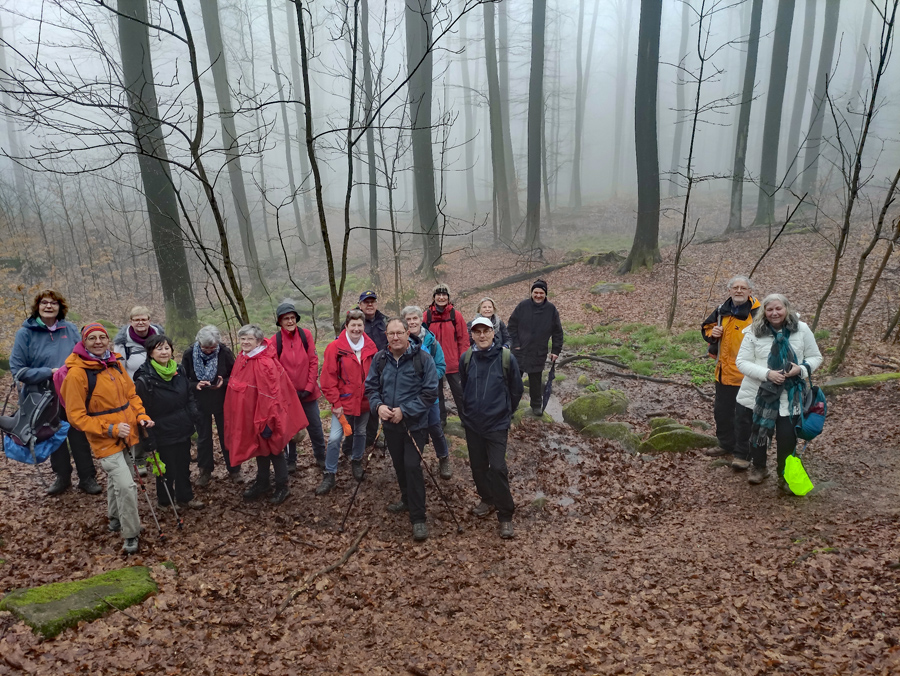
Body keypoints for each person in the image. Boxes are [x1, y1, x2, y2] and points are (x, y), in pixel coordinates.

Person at [60, 322, 154, 554]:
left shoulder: (114, 363)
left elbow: (131, 395)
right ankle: (131, 533)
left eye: (102, 337)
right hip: (105, 438)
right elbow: (76, 417)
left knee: (117, 479)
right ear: (83, 342)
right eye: (92, 338)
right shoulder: (77, 374)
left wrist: (141, 416)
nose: (99, 342)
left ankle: (114, 517)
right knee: (126, 485)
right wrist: (111, 429)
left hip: (129, 432)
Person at [10, 289, 101, 496]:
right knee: (52, 434)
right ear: (38, 307)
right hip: (43, 394)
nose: (49, 306)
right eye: (44, 303)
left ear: (60, 307)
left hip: (72, 389)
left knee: (78, 433)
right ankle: (62, 476)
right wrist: (48, 372)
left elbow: (83, 355)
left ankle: (87, 477)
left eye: (53, 303)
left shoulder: (69, 328)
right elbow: (18, 370)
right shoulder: (26, 333)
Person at [735, 294, 823, 487]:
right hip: (759, 394)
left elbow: (816, 357)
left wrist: (800, 369)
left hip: (790, 396)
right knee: (758, 432)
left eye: (778, 309)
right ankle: (759, 468)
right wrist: (768, 374)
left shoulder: (802, 329)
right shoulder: (753, 331)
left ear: (786, 309)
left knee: (787, 436)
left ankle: (784, 474)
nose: (774, 313)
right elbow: (741, 362)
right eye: (769, 309)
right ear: (764, 312)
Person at [365, 317, 439, 541]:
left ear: (408, 333)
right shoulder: (380, 359)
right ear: (386, 336)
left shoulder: (423, 359)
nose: (395, 337)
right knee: (399, 465)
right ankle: (406, 500)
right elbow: (371, 387)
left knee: (412, 466)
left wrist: (404, 411)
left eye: (399, 333)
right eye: (391, 334)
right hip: (389, 425)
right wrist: (378, 406)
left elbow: (430, 393)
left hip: (414, 425)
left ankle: (418, 518)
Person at [224, 324, 307, 505]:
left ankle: (282, 486)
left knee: (274, 450)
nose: (245, 342)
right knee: (259, 449)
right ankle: (262, 482)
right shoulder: (243, 357)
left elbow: (271, 395)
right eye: (242, 339)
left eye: (249, 339)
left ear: (259, 341)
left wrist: (268, 422)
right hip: (250, 415)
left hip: (267, 416)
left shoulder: (264, 363)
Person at [460, 317, 523, 539]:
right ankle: (487, 499)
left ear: (493, 332)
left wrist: (506, 412)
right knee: (478, 467)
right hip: (473, 424)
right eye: (477, 332)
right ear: (472, 335)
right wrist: (466, 414)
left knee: (497, 468)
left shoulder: (506, 359)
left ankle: (505, 515)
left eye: (486, 331)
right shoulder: (466, 358)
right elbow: (464, 386)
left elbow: (516, 389)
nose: (482, 335)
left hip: (497, 424)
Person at [134, 334, 205, 511]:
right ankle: (165, 501)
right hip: (161, 430)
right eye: (159, 349)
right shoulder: (145, 379)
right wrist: (148, 437)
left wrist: (193, 414)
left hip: (183, 426)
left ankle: (185, 497)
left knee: (183, 464)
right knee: (166, 468)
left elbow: (188, 394)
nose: (164, 352)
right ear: (150, 353)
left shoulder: (178, 370)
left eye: (167, 348)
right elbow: (141, 410)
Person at [316, 309, 378, 495]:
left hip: (364, 401)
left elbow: (376, 375)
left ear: (363, 326)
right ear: (346, 326)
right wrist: (335, 403)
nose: (357, 329)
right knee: (336, 437)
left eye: (360, 325)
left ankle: (356, 461)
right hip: (343, 403)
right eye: (353, 325)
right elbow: (327, 378)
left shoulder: (371, 347)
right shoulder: (335, 348)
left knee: (360, 432)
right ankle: (330, 473)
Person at [701, 275, 761, 468]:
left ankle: (742, 453)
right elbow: (707, 328)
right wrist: (713, 333)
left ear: (750, 291)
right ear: (729, 290)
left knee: (744, 416)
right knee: (722, 412)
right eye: (735, 287)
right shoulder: (722, 310)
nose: (739, 291)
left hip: (748, 375)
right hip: (723, 372)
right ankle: (726, 444)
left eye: (743, 288)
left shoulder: (758, 313)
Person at [181, 325, 242, 485]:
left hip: (223, 401)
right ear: (198, 343)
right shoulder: (189, 354)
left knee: (226, 436)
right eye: (205, 347)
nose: (208, 351)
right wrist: (195, 385)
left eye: (212, 347)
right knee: (204, 438)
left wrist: (223, 383)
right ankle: (205, 471)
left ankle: (234, 469)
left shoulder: (224, 352)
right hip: (199, 402)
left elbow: (236, 376)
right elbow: (183, 380)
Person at [269, 301, 326, 473]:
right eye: (286, 318)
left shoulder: (305, 335)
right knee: (289, 430)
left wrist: (309, 387)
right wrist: (288, 392)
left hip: (308, 393)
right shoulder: (275, 340)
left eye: (292, 317)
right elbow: (275, 369)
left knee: (315, 426)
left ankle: (321, 457)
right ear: (280, 321)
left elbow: (313, 361)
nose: (290, 321)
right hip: (288, 396)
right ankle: (291, 461)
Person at [403, 305, 451, 479]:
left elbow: (441, 367)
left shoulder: (432, 341)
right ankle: (413, 465)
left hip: (430, 396)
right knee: (412, 430)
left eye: (415, 318)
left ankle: (443, 457)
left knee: (435, 427)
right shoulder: (400, 341)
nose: (412, 322)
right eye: (408, 319)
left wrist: (427, 378)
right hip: (407, 397)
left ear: (421, 320)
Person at [507, 279, 564, 415]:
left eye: (541, 292)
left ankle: (536, 405)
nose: (538, 295)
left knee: (536, 381)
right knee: (514, 381)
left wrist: (555, 350)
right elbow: (511, 326)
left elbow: (557, 331)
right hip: (520, 350)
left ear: (545, 294)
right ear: (532, 293)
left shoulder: (551, 309)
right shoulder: (522, 306)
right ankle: (511, 407)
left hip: (538, 351)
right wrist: (515, 345)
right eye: (536, 292)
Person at [424, 283, 469, 426]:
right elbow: (422, 338)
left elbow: (463, 339)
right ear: (434, 297)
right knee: (436, 393)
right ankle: (441, 420)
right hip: (433, 363)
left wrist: (463, 359)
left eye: (444, 295)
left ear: (448, 297)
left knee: (459, 392)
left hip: (453, 362)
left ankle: (465, 418)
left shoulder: (455, 315)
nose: (441, 297)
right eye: (438, 294)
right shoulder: (427, 315)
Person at [113, 306, 165, 379]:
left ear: (149, 321)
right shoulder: (122, 343)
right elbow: (119, 371)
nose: (140, 323)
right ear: (131, 322)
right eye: (137, 320)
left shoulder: (160, 338)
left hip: (159, 386)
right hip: (134, 387)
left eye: (144, 319)